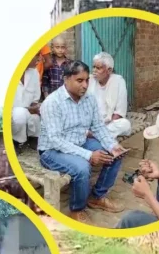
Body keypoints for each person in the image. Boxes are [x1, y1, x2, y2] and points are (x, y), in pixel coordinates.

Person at [38, 61, 128, 224]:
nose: (85, 85)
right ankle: (77, 209)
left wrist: (112, 145)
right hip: (52, 151)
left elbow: (99, 127)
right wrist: (88, 155)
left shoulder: (89, 99)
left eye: (87, 80)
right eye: (80, 80)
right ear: (66, 79)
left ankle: (97, 196)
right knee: (82, 167)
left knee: (115, 154)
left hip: (79, 142)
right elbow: (55, 140)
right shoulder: (52, 103)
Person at [87, 52, 131, 138]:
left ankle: (95, 135)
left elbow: (119, 113)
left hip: (109, 123)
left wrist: (104, 126)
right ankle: (100, 135)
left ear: (109, 70)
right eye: (94, 67)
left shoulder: (118, 81)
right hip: (92, 123)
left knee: (125, 124)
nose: (94, 70)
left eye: (98, 68)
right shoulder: (89, 80)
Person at [12, 52, 42, 150]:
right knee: (19, 114)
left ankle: (32, 138)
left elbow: (35, 99)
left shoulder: (34, 73)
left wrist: (35, 107)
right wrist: (28, 109)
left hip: (27, 111)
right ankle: (15, 142)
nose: (39, 59)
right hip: (11, 114)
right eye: (36, 55)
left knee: (40, 112)